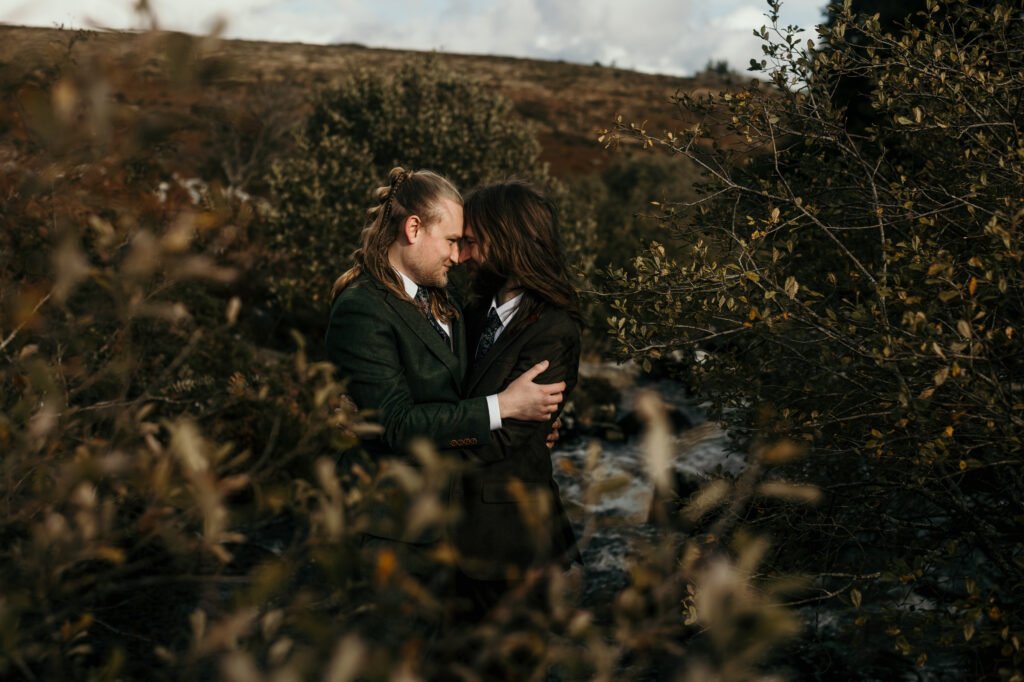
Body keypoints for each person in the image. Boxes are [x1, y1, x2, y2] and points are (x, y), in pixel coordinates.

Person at [325, 167, 565, 597]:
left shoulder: (446, 298)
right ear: (413, 228)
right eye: (452, 241)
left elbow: (470, 380)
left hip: (453, 527)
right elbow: (396, 425)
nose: (458, 257)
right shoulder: (362, 308)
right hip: (393, 532)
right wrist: (502, 409)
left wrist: (535, 429)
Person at [451, 180, 583, 622]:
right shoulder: (471, 312)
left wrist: (415, 436)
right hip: (453, 526)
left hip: (509, 534)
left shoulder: (554, 328)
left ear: (507, 238)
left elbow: (505, 438)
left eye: (471, 243)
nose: (461, 256)